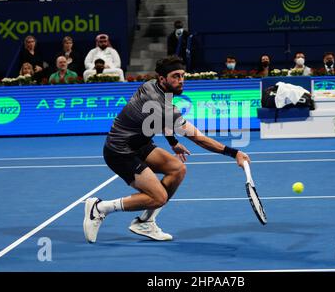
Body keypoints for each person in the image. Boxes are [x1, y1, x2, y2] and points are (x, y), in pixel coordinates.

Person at [83, 55, 251, 243]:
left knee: (177, 169)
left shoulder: (152, 85)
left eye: (182, 75)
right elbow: (199, 139)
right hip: (120, 152)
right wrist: (234, 153)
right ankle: (100, 208)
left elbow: (158, 120)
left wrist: (172, 142)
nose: (181, 80)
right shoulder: (162, 105)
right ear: (163, 79)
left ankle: (145, 222)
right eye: (175, 76)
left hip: (139, 144)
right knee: (159, 197)